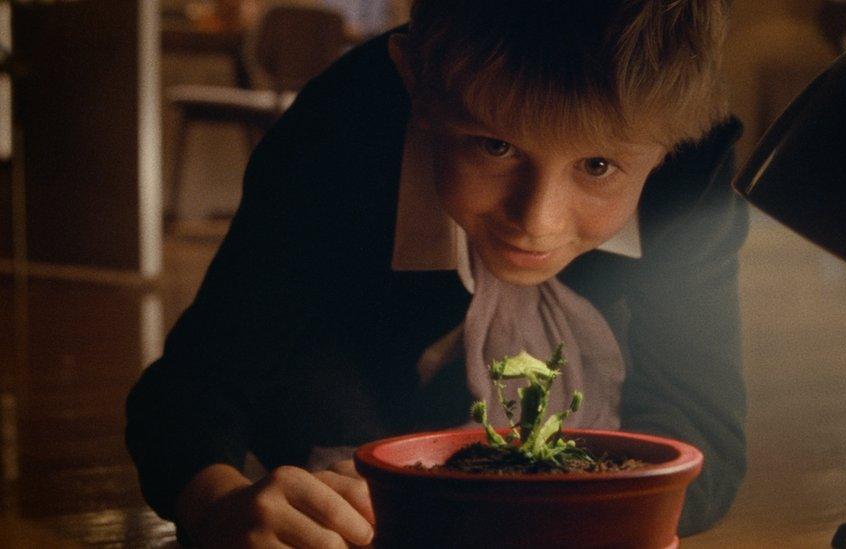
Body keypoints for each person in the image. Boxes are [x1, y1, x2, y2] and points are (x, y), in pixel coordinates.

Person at [126, 1, 749, 546]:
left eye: (596, 164)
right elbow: (191, 389)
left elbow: (702, 435)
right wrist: (217, 505)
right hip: (343, 429)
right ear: (415, 79)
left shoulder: (687, 157)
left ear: (668, 143)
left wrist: (529, 509)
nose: (537, 221)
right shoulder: (338, 129)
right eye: (494, 145)